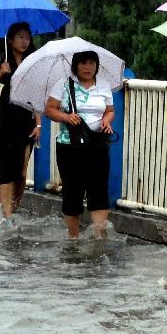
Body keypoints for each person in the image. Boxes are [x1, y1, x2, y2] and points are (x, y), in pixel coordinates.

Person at [45, 50, 115, 239]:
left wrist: (107, 121)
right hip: (70, 147)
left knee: (99, 189)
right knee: (72, 190)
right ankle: (73, 237)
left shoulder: (104, 86)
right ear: (75, 65)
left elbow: (109, 110)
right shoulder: (64, 85)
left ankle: (99, 236)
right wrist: (66, 117)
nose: (88, 67)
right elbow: (49, 109)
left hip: (98, 145)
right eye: (83, 63)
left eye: (92, 63)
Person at [0, 22, 42, 225]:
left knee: (21, 173)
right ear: (10, 39)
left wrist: (38, 124)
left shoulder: (32, 62)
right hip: (2, 122)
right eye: (20, 37)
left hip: (26, 122)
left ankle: (14, 208)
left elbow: (37, 96)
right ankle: (7, 217)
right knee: (6, 168)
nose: (25, 41)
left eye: (28, 37)